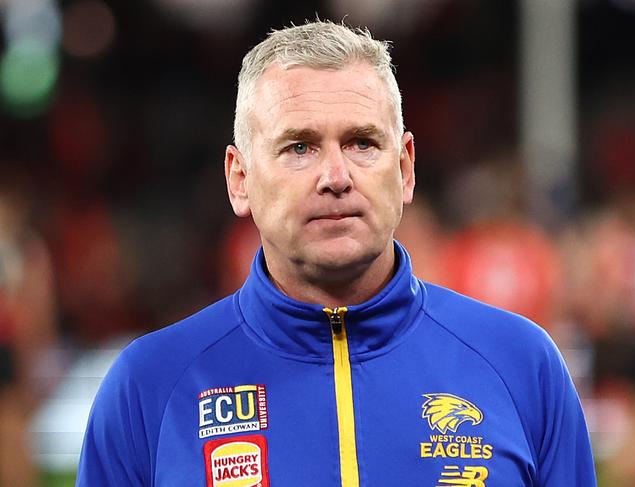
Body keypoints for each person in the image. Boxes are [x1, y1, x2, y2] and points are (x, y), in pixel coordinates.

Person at [76, 20, 596, 486]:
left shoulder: (522, 365)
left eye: (362, 143)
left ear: (405, 168)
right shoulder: (149, 386)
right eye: (299, 147)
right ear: (240, 180)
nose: (336, 177)